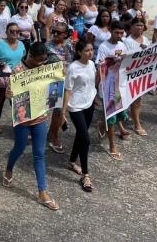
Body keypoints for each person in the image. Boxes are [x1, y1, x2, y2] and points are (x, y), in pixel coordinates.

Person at [3, 42, 59, 211]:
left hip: (40, 118)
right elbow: (12, 99)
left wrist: (58, 79)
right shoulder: (18, 72)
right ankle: (9, 169)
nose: (42, 63)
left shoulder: (46, 68)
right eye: (39, 60)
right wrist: (9, 95)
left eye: (44, 60)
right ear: (30, 56)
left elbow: (53, 88)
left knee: (39, 154)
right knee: (19, 149)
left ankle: (43, 192)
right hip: (23, 121)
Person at [62, 40, 96, 191]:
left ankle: (71, 161)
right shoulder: (73, 68)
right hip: (75, 106)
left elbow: (93, 83)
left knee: (81, 136)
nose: (90, 53)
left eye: (92, 50)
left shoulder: (92, 65)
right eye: (87, 50)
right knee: (86, 139)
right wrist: (63, 112)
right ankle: (85, 174)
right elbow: (68, 90)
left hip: (89, 103)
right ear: (79, 52)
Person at [96, 21, 130, 159]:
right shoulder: (103, 47)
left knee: (119, 113)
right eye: (116, 32)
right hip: (108, 85)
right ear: (110, 31)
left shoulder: (122, 45)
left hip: (120, 84)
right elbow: (100, 67)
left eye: (121, 33)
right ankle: (112, 146)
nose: (119, 35)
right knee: (111, 116)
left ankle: (102, 124)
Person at [0, 22, 26, 133]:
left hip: (18, 77)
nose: (15, 33)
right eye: (12, 31)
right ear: (6, 32)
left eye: (17, 31)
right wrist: (0, 64)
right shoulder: (0, 43)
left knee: (19, 102)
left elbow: (22, 58)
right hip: (3, 77)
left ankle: (20, 124)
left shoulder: (21, 44)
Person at [45, 22, 74, 153]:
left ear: (66, 34)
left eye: (58, 32)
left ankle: (52, 134)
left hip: (68, 83)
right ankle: (52, 136)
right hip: (53, 84)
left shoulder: (70, 45)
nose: (55, 34)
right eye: (53, 31)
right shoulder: (46, 47)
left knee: (61, 111)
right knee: (54, 111)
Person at [123, 17, 151, 136]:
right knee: (123, 100)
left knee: (137, 100)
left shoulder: (146, 40)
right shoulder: (126, 41)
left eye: (141, 25)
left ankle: (136, 124)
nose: (139, 27)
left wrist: (148, 50)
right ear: (131, 27)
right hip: (127, 75)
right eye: (137, 25)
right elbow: (123, 58)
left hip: (141, 75)